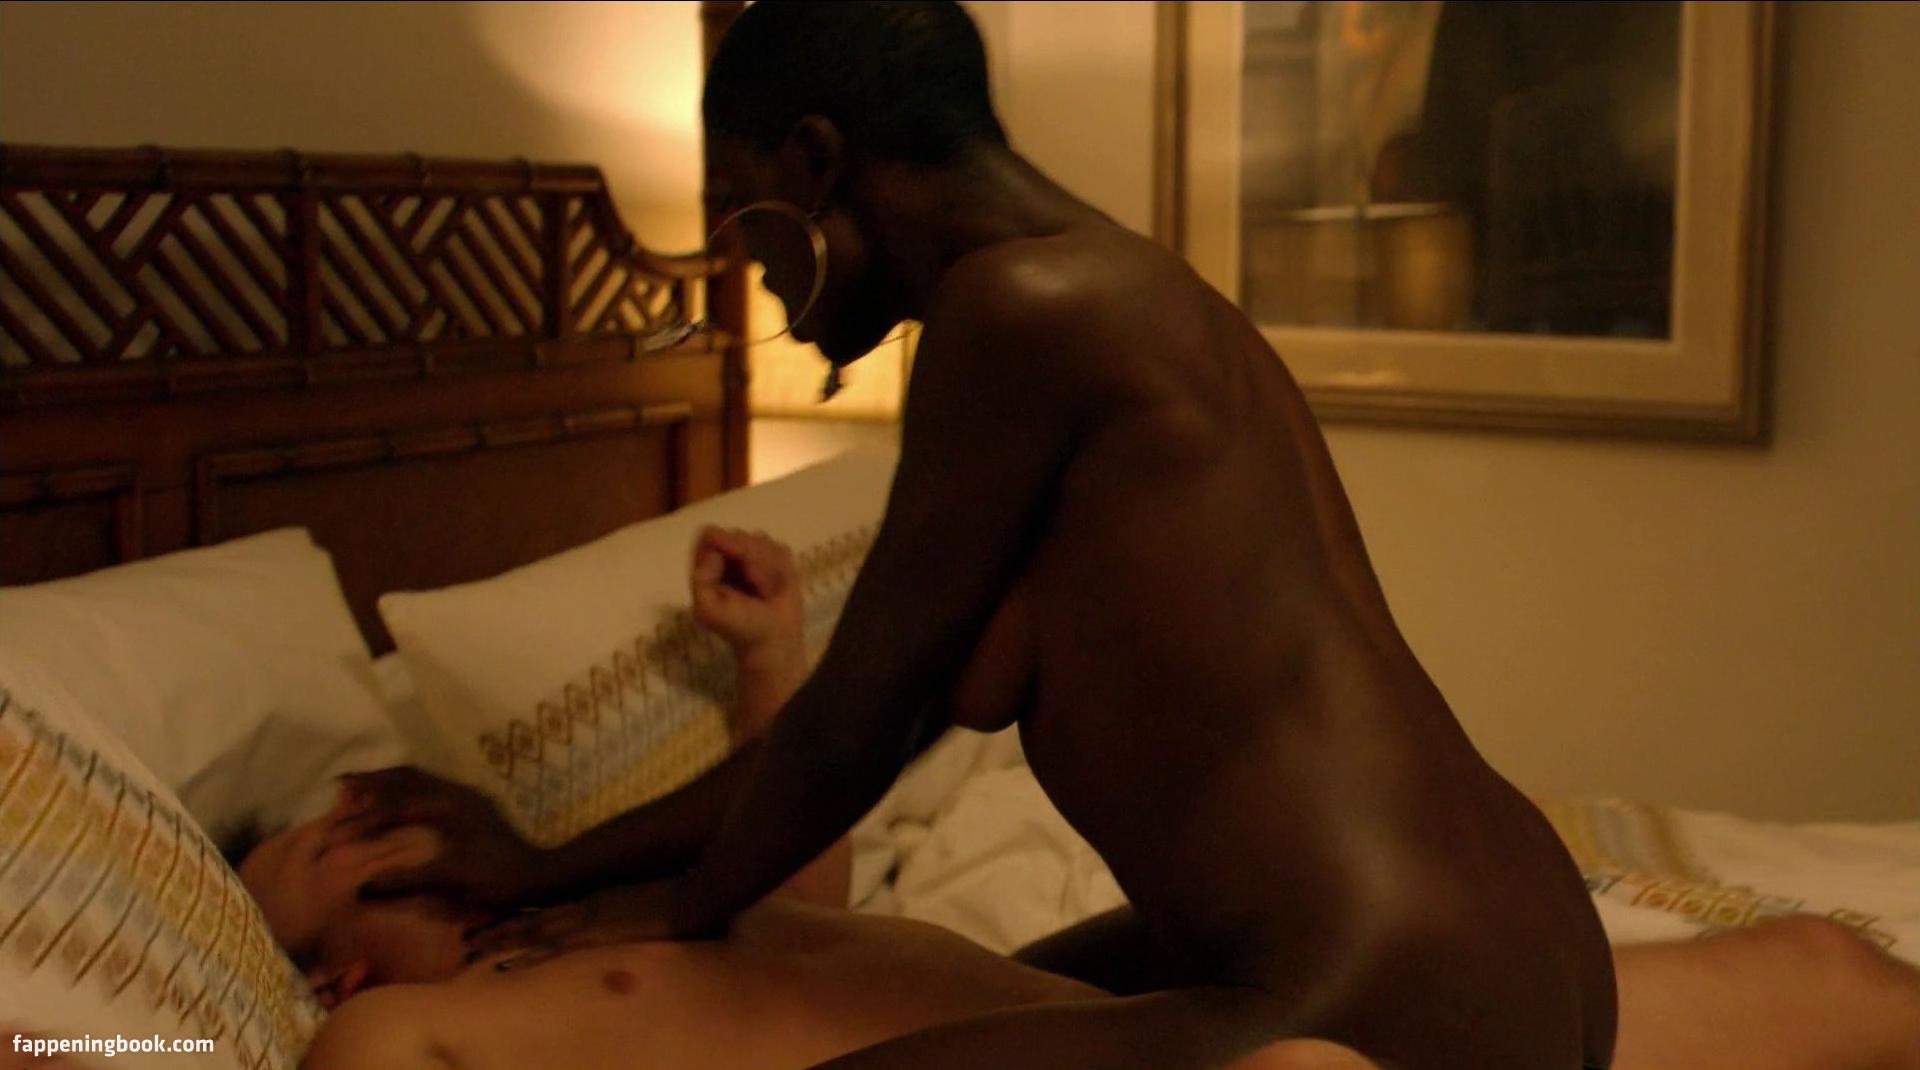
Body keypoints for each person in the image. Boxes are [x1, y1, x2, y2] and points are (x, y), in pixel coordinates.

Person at [342, 3, 1674, 1065]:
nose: (756, 271)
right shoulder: (1128, 287)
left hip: (1379, 989)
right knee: (1006, 991)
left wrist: (581, 881)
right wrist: (604, 871)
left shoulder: (1017, 313)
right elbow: (890, 717)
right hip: (1527, 947)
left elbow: (850, 728)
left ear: (815, 162)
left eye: (748, 216)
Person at [254, 531, 1920, 1070]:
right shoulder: (394, 1037)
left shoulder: (600, 924)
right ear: (329, 964)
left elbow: (808, 892)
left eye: (365, 805)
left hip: (1119, 1020)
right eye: (323, 850)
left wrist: (769, 659)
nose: (370, 819)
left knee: (1830, 975)